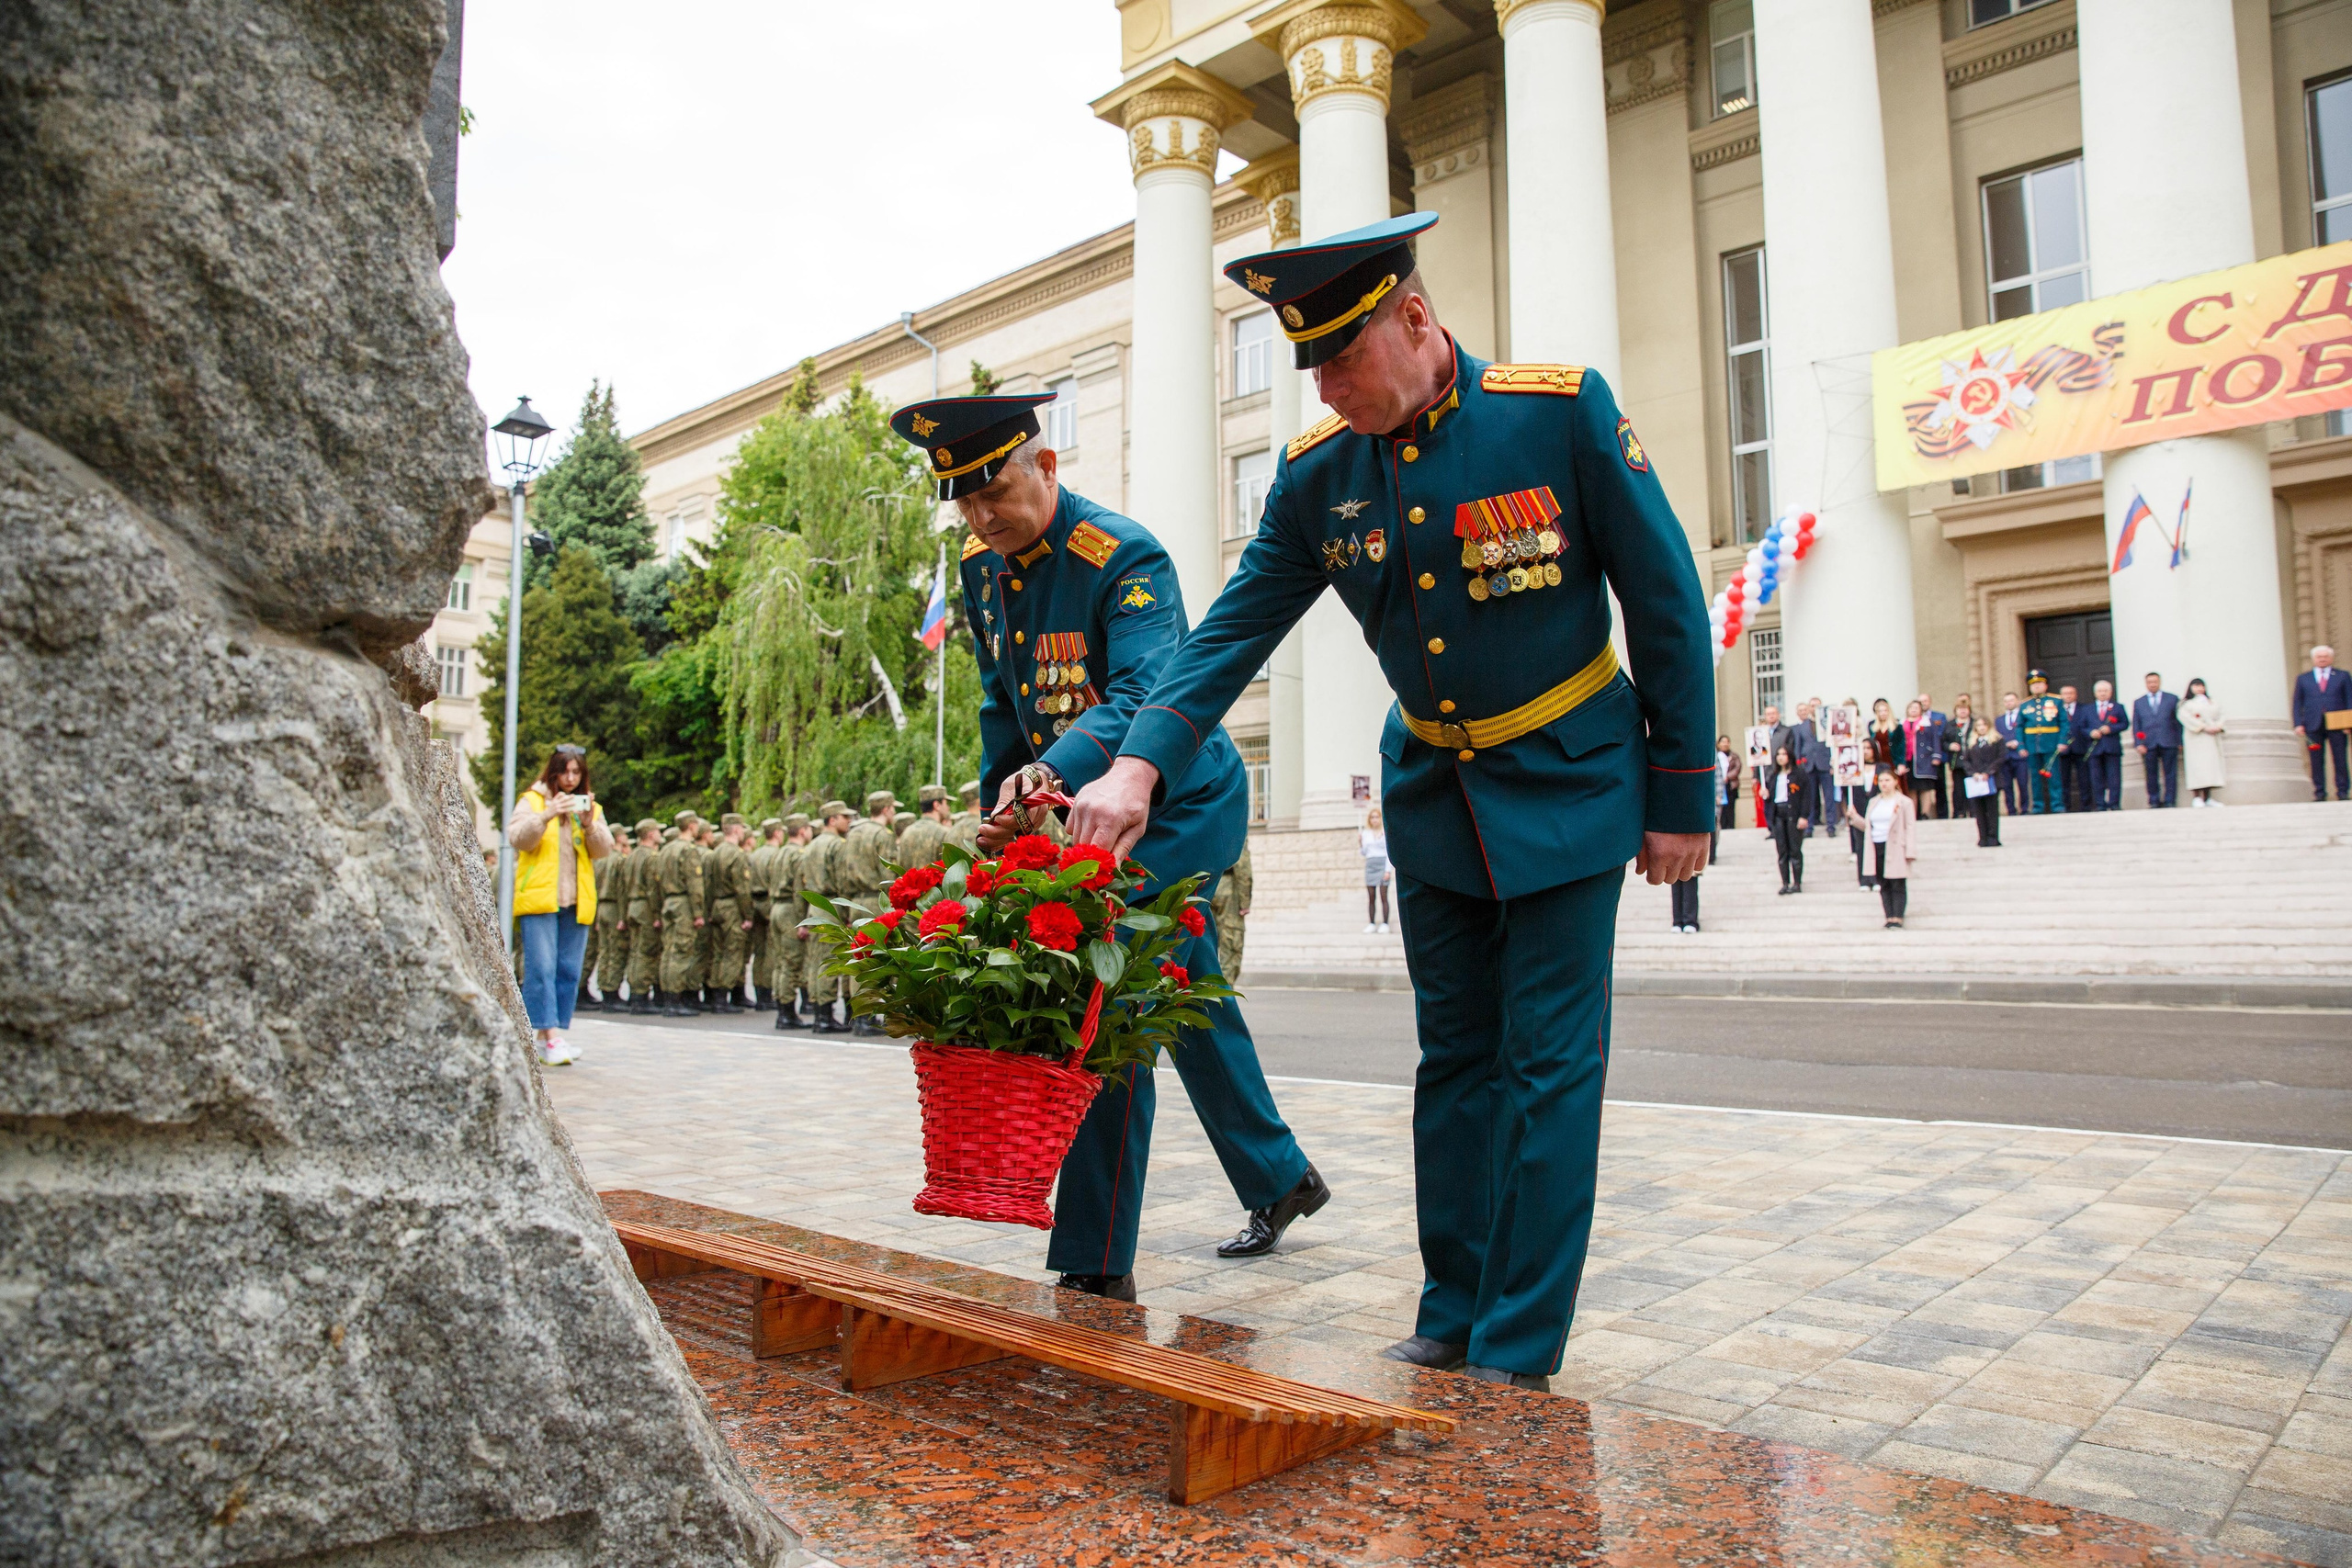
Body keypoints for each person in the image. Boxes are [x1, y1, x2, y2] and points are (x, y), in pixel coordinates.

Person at [1064, 215, 1714, 1390]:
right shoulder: (1321, 477)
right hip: (1431, 796)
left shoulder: (1555, 412)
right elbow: (1229, 634)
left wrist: (1682, 794)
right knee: (1453, 1060)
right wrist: (1138, 762)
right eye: (1310, 365)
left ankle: (1516, 1347)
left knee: (1549, 1065)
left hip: (1569, 779)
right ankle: (1451, 1306)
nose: (1326, 386)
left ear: (1416, 320)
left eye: (1343, 357)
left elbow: (1665, 599)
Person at [889, 385, 1329, 1301]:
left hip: (1178, 795)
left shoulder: (1122, 557)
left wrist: (1047, 772)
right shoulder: (981, 565)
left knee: (1110, 1002)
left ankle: (1093, 1261)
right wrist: (1002, 805)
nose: (981, 516)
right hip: (1074, 800)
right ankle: (1279, 1178)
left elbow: (1140, 696)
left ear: (1046, 467)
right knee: (1184, 991)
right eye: (963, 502)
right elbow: (1000, 698)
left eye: (995, 493)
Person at [505, 744, 614, 1065]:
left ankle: (544, 1038)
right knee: (541, 967)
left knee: (567, 970)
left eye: (576, 772)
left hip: (576, 901)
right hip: (540, 899)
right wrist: (547, 814)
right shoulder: (533, 800)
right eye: (565, 771)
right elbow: (518, 838)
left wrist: (589, 823)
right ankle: (552, 1036)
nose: (570, 778)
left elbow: (603, 850)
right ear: (553, 772)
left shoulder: (590, 807)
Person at [796, 801, 853, 1033]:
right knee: (831, 961)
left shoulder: (810, 846)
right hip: (831, 905)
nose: (847, 821)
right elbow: (842, 881)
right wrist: (848, 913)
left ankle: (820, 1013)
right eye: (843, 817)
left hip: (814, 907)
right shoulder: (837, 845)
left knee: (816, 961)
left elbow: (799, 882)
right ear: (832, 820)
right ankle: (826, 1017)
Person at [652, 809, 707, 1017]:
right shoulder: (688, 850)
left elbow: (656, 885)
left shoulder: (666, 849)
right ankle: (675, 999)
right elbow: (695, 885)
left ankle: (668, 997)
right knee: (681, 951)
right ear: (692, 826)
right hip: (683, 903)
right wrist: (698, 912)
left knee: (669, 951)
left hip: (668, 902)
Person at [1847, 769, 1917, 929]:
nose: (1884, 784)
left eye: (1887, 780)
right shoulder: (1874, 802)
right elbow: (1868, 826)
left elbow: (1910, 827)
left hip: (1896, 845)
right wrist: (1855, 818)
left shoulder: (1904, 802)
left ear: (1895, 782)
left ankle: (1898, 916)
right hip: (1876, 845)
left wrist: (1910, 851)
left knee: (1897, 882)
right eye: (1881, 781)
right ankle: (1889, 915)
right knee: (1883, 883)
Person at [770, 813, 813, 1030]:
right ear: (803, 830)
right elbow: (799, 891)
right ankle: (787, 1013)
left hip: (777, 907)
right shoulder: (798, 855)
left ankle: (782, 1008)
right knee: (792, 963)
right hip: (789, 910)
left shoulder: (779, 853)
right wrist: (802, 921)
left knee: (780, 962)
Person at [2291, 646, 2350, 801]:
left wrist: (2348, 723)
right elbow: (2297, 702)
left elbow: (2349, 699)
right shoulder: (2304, 678)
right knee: (2316, 760)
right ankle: (2319, 792)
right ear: (2314, 659)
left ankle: (2342, 791)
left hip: (2337, 724)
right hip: (2312, 725)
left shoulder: (2342, 676)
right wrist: (2298, 723)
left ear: (2331, 658)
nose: (2322, 659)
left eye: (2325, 656)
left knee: (2340, 758)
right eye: (2319, 657)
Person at [624, 818, 662, 1014]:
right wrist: (657, 913)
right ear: (650, 834)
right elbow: (652, 889)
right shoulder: (651, 857)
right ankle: (641, 995)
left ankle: (634, 992)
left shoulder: (630, 856)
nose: (659, 834)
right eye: (656, 831)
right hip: (645, 907)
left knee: (636, 951)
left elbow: (622, 888)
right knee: (647, 952)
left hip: (632, 905)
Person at [1763, 743, 1811, 894]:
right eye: (1778, 755)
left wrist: (1804, 816)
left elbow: (1806, 797)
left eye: (1784, 754)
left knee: (1795, 849)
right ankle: (1785, 882)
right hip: (1779, 814)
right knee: (1782, 850)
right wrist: (1765, 795)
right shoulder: (1774, 776)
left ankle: (1797, 882)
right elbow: (1770, 798)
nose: (1781, 757)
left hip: (1794, 814)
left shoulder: (1799, 774)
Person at [746, 818, 784, 1008]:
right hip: (769, 902)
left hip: (755, 902)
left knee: (759, 951)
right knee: (771, 950)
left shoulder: (754, 854)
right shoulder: (776, 855)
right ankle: (767, 992)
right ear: (777, 833)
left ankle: (759, 991)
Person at [2132, 671, 2182, 808]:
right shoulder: (2139, 702)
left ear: (2159, 682)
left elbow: (2178, 722)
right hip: (2148, 743)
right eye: (2150, 682)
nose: (2152, 684)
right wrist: (2138, 743)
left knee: (2170, 773)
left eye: (2155, 681)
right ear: (2146, 683)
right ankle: (2154, 800)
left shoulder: (2172, 699)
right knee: (2151, 773)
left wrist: (2180, 741)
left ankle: (2170, 800)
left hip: (2168, 740)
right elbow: (2137, 724)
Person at [2018, 671, 2065, 814]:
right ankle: (2038, 806)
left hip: (2051, 743)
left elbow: (2064, 723)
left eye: (2039, 684)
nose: (2036, 687)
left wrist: (2062, 741)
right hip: (2032, 746)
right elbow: (2020, 727)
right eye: (2033, 685)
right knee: (2035, 778)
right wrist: (2021, 745)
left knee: (2054, 776)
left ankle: (2057, 805)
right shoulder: (2024, 705)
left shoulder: (2056, 701)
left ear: (2045, 685)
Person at [1838, 738, 1883, 887]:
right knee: (1861, 845)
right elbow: (1845, 788)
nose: (1865, 751)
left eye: (1869, 748)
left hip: (1878, 810)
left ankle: (1878, 878)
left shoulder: (1882, 767)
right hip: (1859, 809)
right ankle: (1864, 880)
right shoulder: (1853, 767)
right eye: (1862, 748)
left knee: (1878, 846)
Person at [2076, 680, 2127, 811]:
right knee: (2096, 778)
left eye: (2105, 691)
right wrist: (2090, 732)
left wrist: (2111, 729)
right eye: (2100, 691)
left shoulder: (2118, 707)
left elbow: (2125, 724)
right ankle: (2100, 804)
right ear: (2095, 693)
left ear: (2110, 692)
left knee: (2114, 778)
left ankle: (2114, 804)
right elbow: (2081, 727)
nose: (2102, 693)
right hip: (2094, 749)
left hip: (2112, 747)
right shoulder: (2087, 709)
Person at [2176, 678, 2227, 807]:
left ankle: (2208, 797)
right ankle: (2197, 797)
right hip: (2196, 739)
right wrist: (2203, 727)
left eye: (2201, 686)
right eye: (2196, 686)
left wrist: (2218, 726)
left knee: (2209, 767)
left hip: (2210, 739)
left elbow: (2221, 715)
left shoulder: (2212, 702)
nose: (2199, 689)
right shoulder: (2187, 704)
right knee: (2197, 768)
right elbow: (2185, 717)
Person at [1959, 715, 2006, 845]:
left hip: (1991, 779)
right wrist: (1973, 773)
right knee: (1978, 810)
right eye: (1979, 726)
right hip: (1976, 780)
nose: (1981, 728)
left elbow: (2000, 758)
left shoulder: (1996, 740)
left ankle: (1993, 837)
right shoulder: (1972, 742)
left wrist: (1988, 772)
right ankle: (1982, 837)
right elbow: (1966, 761)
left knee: (1992, 809)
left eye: (1984, 725)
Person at [1210, 840, 1252, 983]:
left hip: (1207, 886)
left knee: (1207, 944)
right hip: (1228, 888)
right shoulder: (1233, 818)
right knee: (1231, 946)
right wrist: (1244, 901)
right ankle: (1224, 996)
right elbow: (1242, 865)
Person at [898, 784, 954, 870]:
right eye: (946, 803)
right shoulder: (944, 833)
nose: (948, 807)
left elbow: (900, 867)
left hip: (911, 883)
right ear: (937, 805)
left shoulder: (907, 832)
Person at [1992, 692, 2028, 815]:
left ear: (2017, 701)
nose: (2009, 703)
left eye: (2011, 700)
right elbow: (1996, 737)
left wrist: (2018, 743)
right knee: (2007, 786)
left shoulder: (2023, 717)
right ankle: (2011, 810)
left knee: (2023, 784)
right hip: (2005, 757)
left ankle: (2024, 809)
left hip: (2020, 756)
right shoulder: (1999, 720)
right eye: (2006, 701)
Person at [1361, 805, 1394, 933]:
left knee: (1383, 895)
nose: (1374, 819)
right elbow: (1364, 852)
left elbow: (1387, 852)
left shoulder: (1385, 832)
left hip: (1382, 864)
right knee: (1371, 896)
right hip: (1370, 864)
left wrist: (1387, 870)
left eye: (1377, 817)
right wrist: (1360, 842)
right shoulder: (1365, 833)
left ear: (1380, 818)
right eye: (1372, 817)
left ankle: (1385, 923)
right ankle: (1371, 923)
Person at [1715, 734, 1741, 830]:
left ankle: (1731, 826)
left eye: (1727, 742)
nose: (1725, 744)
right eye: (1723, 742)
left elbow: (1737, 768)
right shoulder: (1716, 755)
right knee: (1721, 809)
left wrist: (1727, 776)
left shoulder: (1734, 756)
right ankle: (1723, 826)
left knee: (1730, 808)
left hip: (1730, 785)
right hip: (1719, 785)